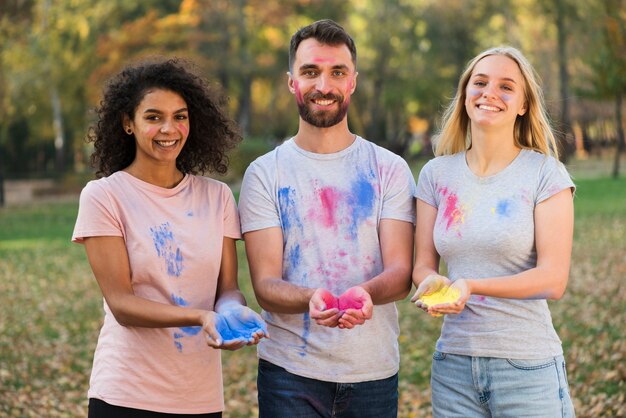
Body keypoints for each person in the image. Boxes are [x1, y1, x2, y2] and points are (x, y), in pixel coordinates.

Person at [238, 19, 416, 417]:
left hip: (372, 372)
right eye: (310, 72)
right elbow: (265, 285)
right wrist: (309, 298)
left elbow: (402, 271)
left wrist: (366, 294)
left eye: (337, 72)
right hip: (289, 374)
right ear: (291, 82)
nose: (323, 86)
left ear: (353, 81)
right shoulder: (265, 173)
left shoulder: (389, 168)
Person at [72, 58, 267, 417]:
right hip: (126, 395)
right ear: (128, 123)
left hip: (201, 397)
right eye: (153, 117)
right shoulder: (104, 196)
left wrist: (229, 311)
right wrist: (200, 318)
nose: (169, 128)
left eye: (180, 116)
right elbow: (122, 304)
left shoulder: (218, 196)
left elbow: (227, 287)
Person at [411, 46, 576, 417]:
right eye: (480, 82)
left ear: (522, 104)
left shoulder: (545, 174)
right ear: (465, 94)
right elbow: (421, 265)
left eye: (506, 87)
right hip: (453, 367)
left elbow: (554, 279)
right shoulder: (435, 175)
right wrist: (433, 283)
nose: (489, 93)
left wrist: (470, 286)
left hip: (526, 368)